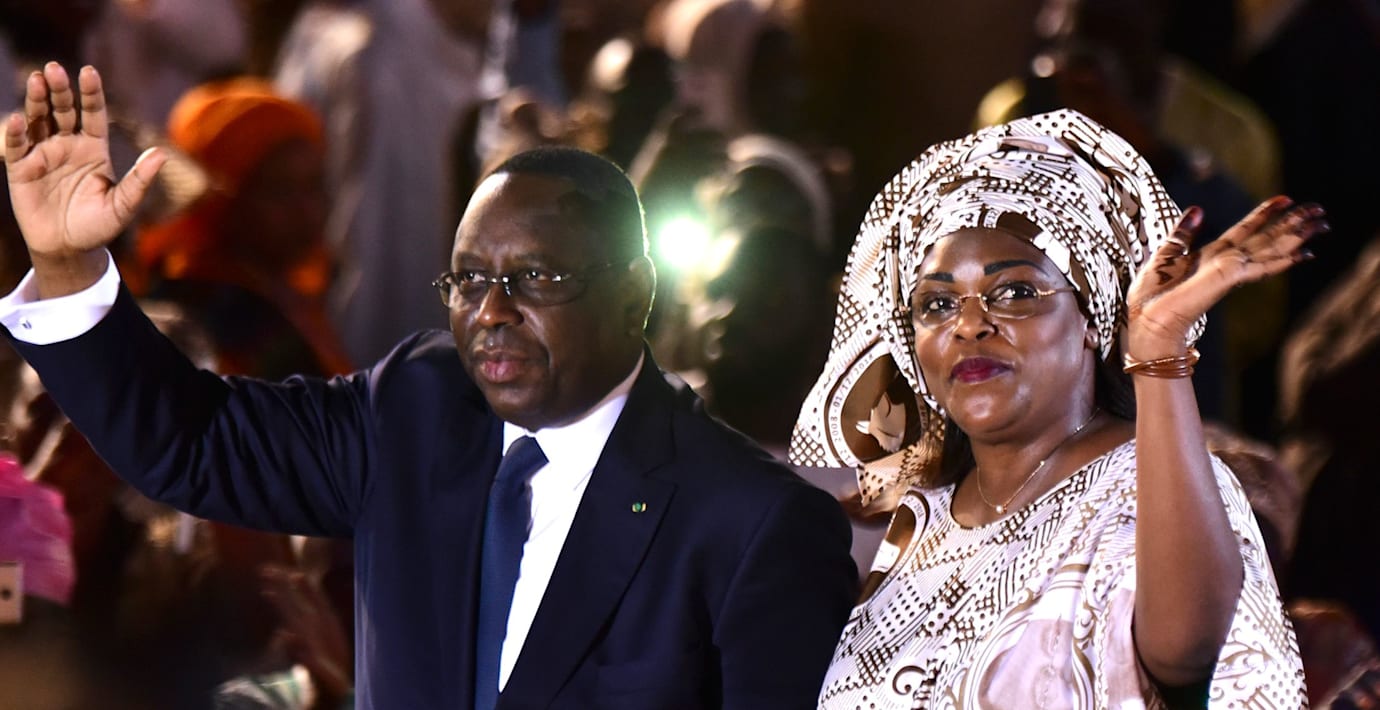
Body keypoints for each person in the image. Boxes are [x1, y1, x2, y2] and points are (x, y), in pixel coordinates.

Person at [0, 61, 856, 709]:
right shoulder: (415, 408)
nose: (491, 312)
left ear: (635, 293)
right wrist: (68, 263)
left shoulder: (754, 525)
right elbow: (193, 443)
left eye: (535, 279)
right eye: (469, 280)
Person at [789, 109, 1318, 706]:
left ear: (1093, 317)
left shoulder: (1145, 482)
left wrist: (1158, 352)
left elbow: (1188, 652)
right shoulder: (920, 518)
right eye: (937, 304)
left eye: (1015, 292)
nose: (969, 324)